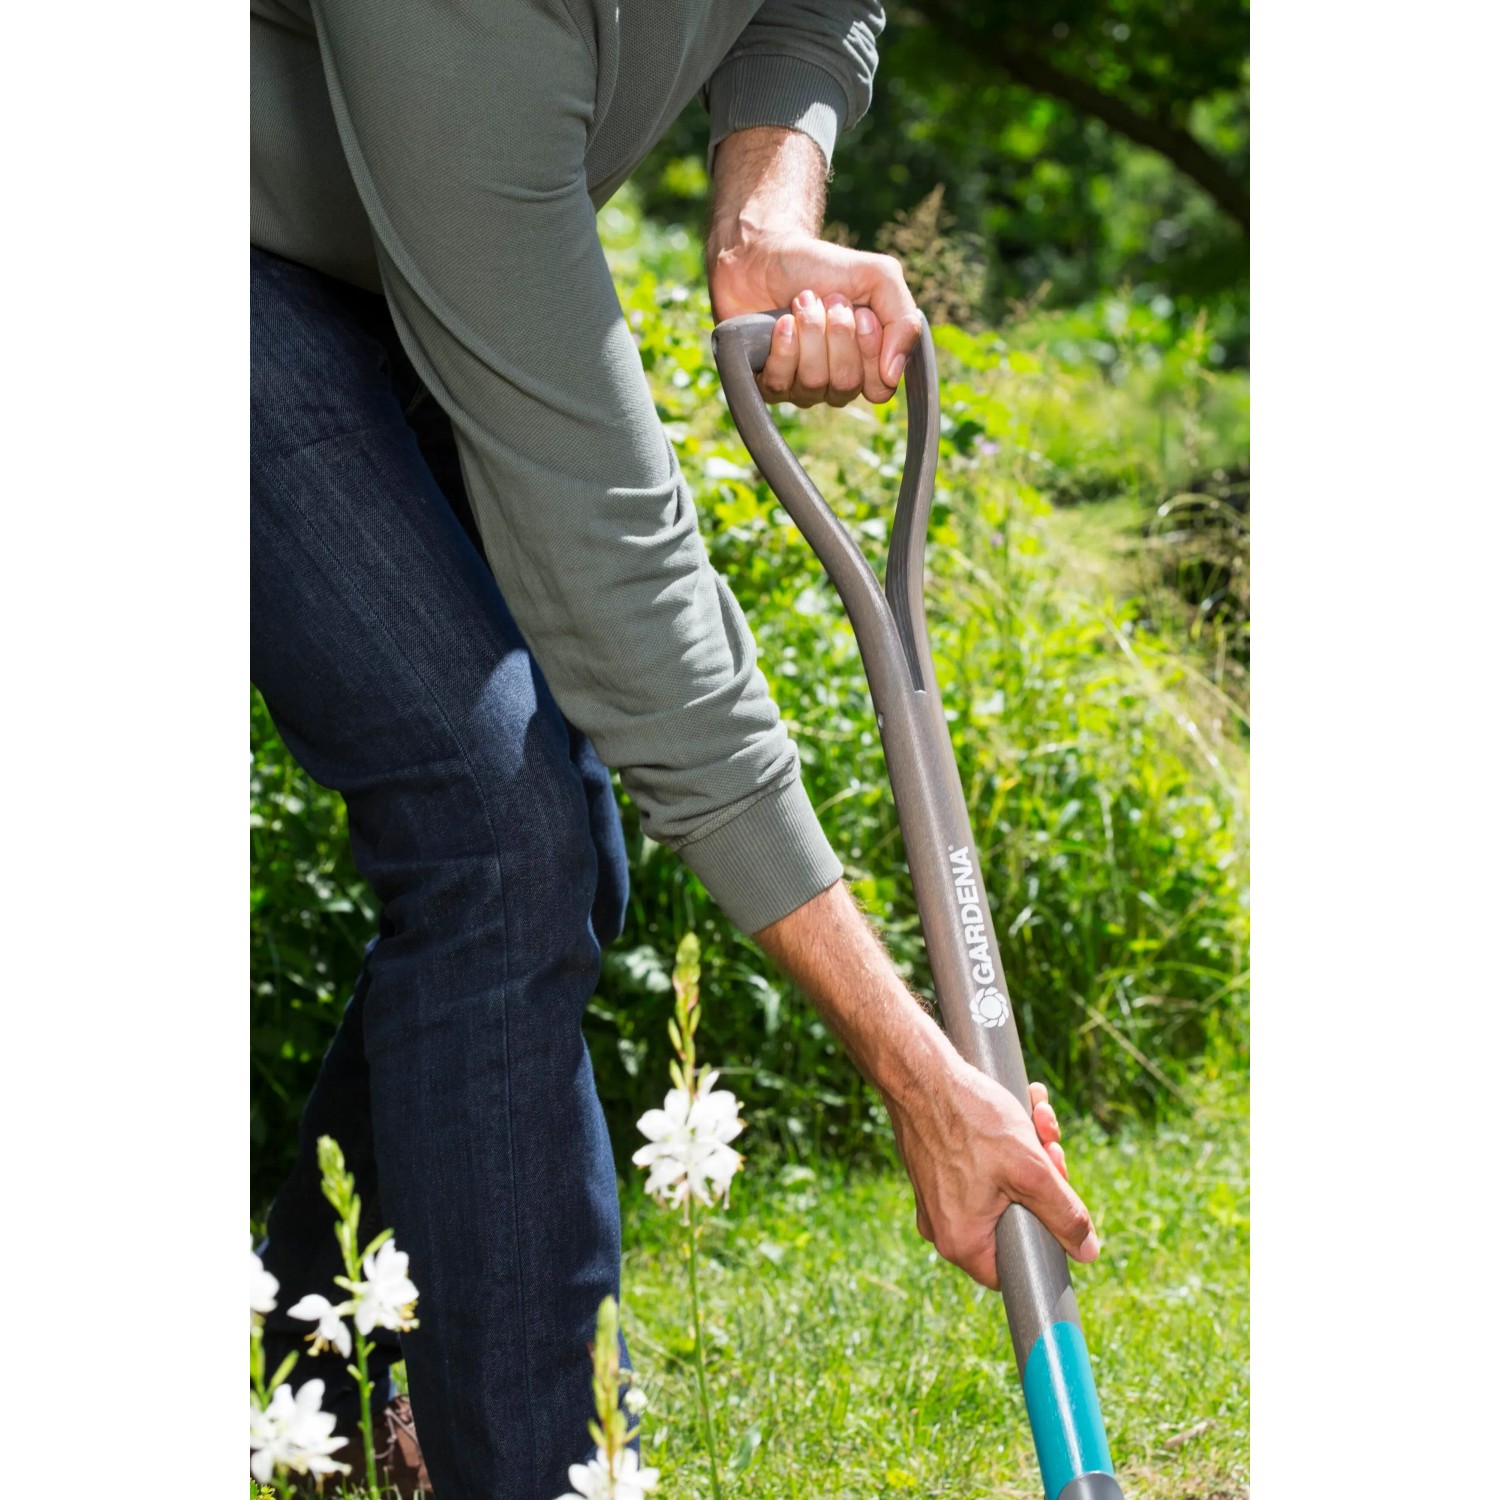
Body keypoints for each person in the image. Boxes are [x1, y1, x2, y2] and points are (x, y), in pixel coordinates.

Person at [251, 1, 1101, 1493]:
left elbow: (812, 7)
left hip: (414, 241)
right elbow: (624, 587)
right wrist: (916, 1074)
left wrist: (763, 214)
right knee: (495, 823)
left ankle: (295, 1390)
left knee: (555, 845)